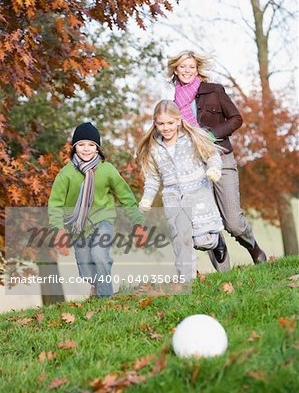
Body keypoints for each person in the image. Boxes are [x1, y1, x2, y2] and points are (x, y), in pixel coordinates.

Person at [167, 50, 266, 270]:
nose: (187, 71)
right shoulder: (172, 105)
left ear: (197, 69)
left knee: (233, 222)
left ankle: (254, 249)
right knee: (207, 223)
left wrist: (211, 135)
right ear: (175, 69)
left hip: (221, 158)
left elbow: (236, 118)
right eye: (183, 67)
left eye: (191, 67)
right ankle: (225, 276)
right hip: (193, 167)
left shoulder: (214, 91)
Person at [48, 122, 146, 297]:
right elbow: (55, 205)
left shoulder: (107, 170)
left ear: (98, 149)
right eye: (81, 145)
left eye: (91, 145)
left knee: (99, 255)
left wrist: (138, 223)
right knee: (85, 268)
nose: (86, 149)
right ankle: (98, 286)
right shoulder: (66, 174)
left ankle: (106, 300)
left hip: (103, 220)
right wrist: (59, 231)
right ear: (74, 147)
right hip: (77, 226)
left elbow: (126, 197)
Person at [137, 100, 227, 282]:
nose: (166, 128)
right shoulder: (153, 148)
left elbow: (212, 155)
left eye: (170, 123)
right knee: (181, 240)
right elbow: (153, 178)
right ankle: (186, 283)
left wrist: (214, 169)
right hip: (173, 199)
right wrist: (147, 199)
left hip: (198, 194)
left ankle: (216, 241)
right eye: (161, 124)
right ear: (155, 123)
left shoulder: (192, 138)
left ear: (178, 121)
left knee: (202, 241)